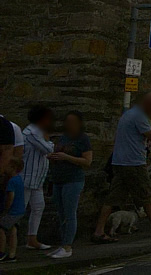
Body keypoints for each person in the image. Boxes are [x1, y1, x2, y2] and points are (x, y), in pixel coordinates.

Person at [92, 92, 151, 243]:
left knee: (113, 197)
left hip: (120, 161)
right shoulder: (139, 116)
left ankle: (99, 230)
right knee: (146, 193)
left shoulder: (128, 114)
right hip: (133, 162)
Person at [47, 111, 92, 259]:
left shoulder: (83, 139)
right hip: (59, 178)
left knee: (69, 212)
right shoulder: (63, 137)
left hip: (73, 179)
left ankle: (68, 246)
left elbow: (87, 161)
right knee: (61, 213)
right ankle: (62, 244)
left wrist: (67, 157)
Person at [22, 105, 54, 251]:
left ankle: (32, 239)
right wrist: (49, 141)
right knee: (19, 209)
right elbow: (47, 149)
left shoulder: (37, 132)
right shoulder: (32, 132)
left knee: (38, 207)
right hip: (26, 178)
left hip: (37, 179)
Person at [0, 159, 25, 262]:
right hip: (20, 210)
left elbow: (11, 196)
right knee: (13, 230)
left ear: (13, 168)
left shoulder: (12, 181)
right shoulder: (19, 179)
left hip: (13, 211)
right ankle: (12, 254)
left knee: (1, 228)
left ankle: (1, 252)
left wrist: (6, 208)